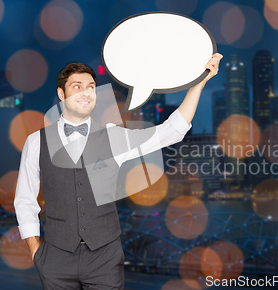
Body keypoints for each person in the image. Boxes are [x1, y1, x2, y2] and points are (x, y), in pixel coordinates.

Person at [13, 53, 223, 289]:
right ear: (61, 94)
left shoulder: (114, 136)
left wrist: (199, 83)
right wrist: (36, 252)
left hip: (104, 259)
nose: (86, 92)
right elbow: (25, 199)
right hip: (55, 258)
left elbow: (171, 132)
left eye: (91, 87)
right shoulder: (36, 142)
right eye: (77, 86)